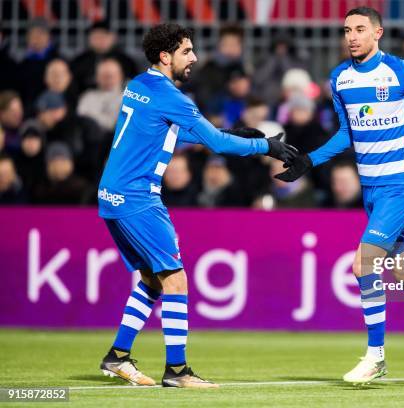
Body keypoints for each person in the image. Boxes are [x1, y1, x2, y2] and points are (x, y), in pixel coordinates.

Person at [275, 7, 404, 386]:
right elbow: (347, 133)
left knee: (363, 265)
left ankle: (376, 356)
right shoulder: (339, 79)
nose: (352, 36)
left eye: (360, 29)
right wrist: (309, 160)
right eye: (347, 30)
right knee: (403, 270)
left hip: (401, 186)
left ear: (377, 33)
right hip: (372, 191)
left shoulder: (399, 71)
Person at [97, 23, 297, 389]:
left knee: (151, 280)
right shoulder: (172, 98)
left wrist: (235, 135)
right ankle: (177, 371)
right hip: (139, 196)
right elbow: (216, 144)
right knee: (175, 279)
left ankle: (117, 357)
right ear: (165, 56)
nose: (194, 58)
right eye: (187, 51)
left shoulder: (139, 86)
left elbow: (173, 131)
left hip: (112, 195)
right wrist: (266, 147)